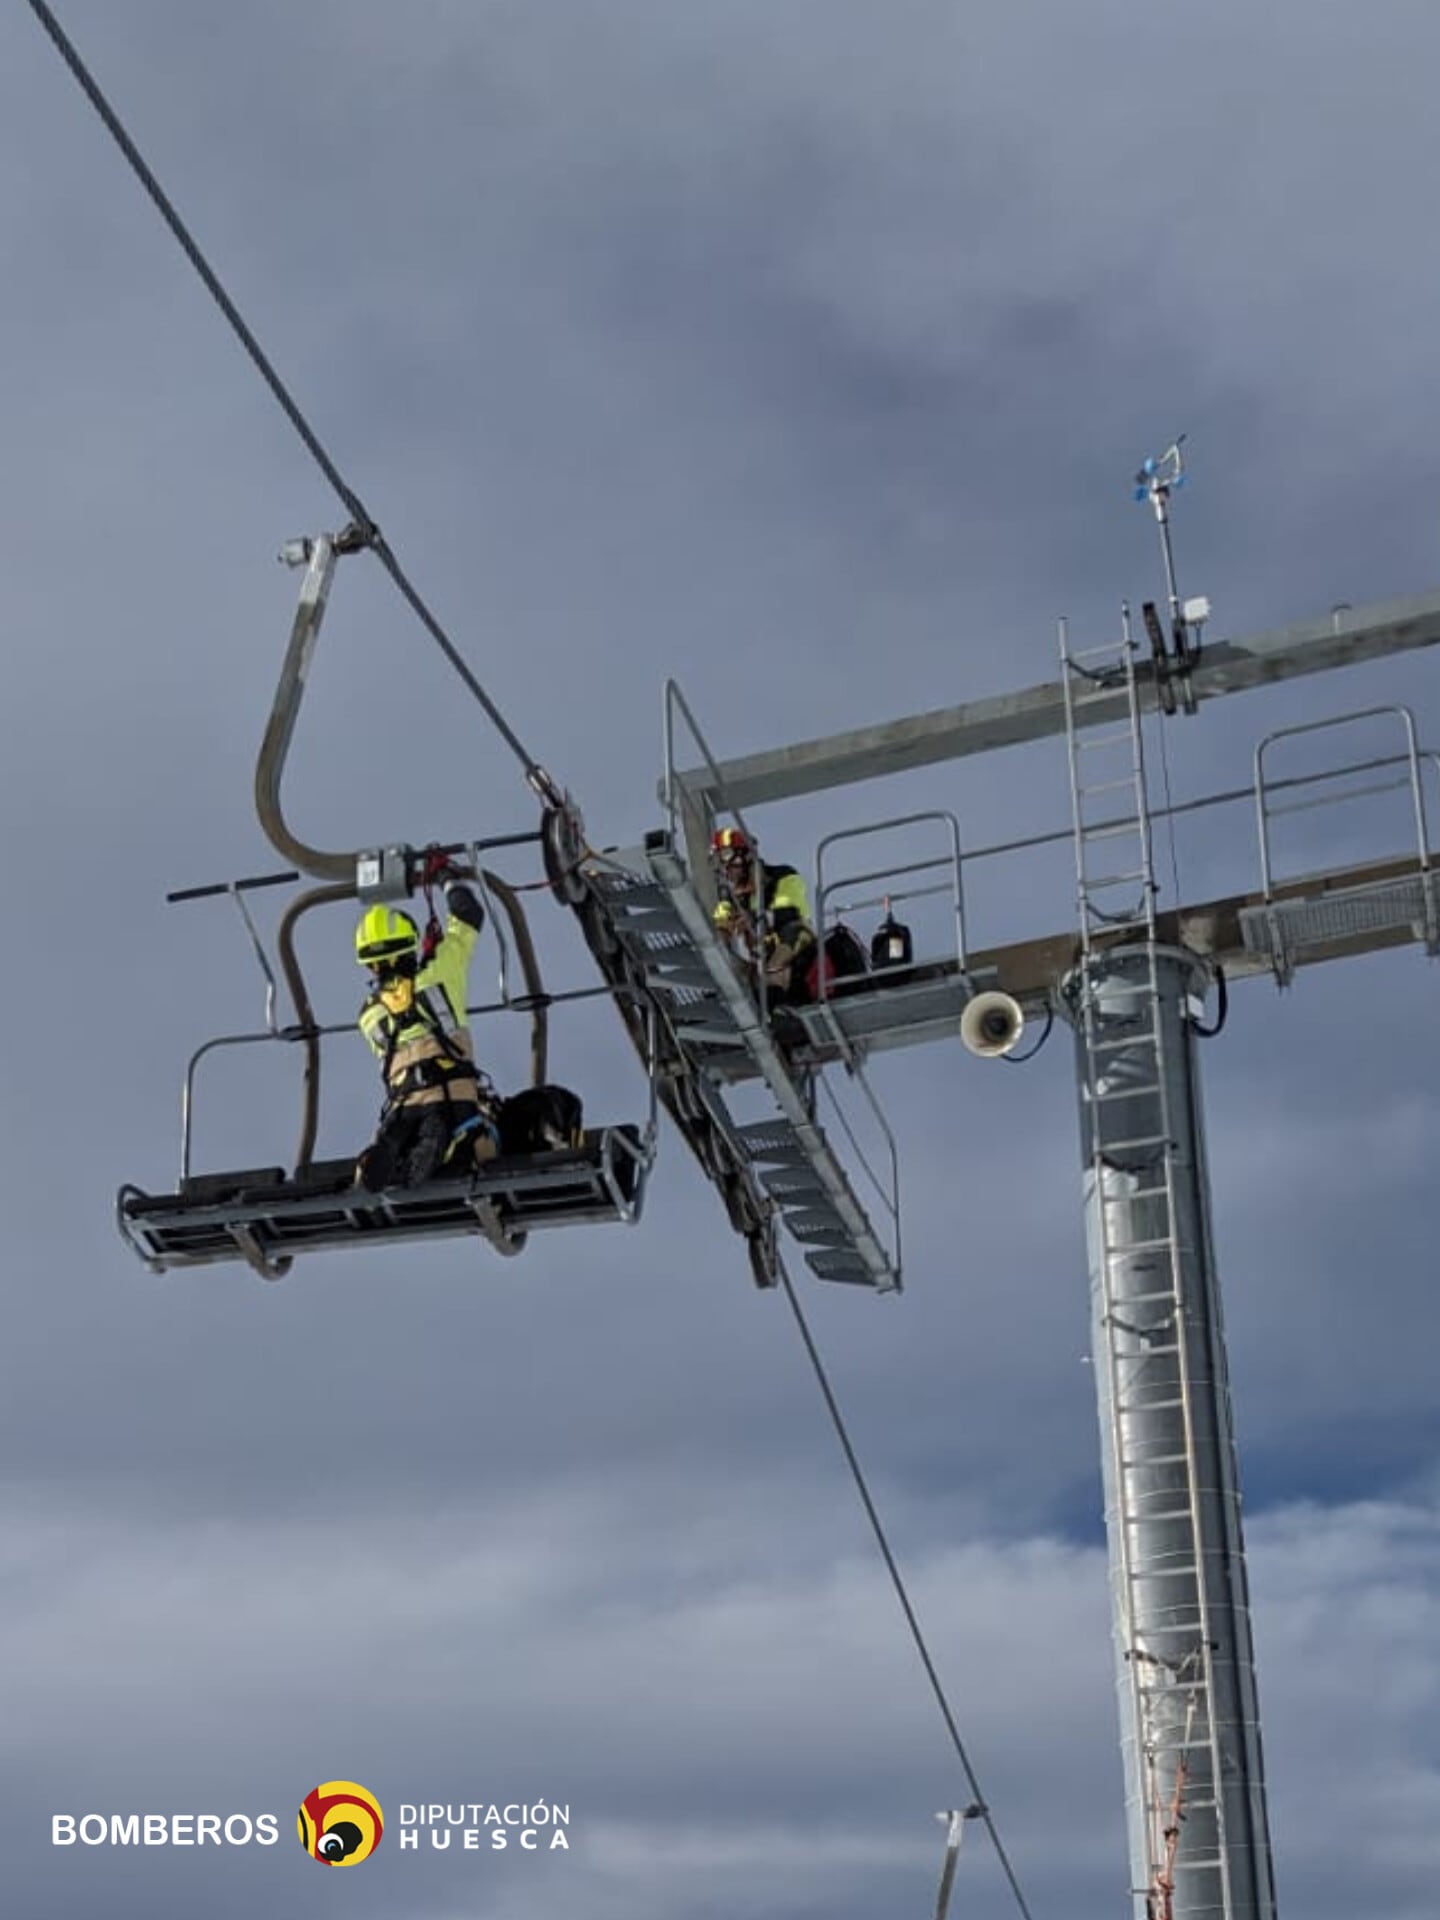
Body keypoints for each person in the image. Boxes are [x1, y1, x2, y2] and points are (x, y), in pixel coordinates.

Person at [352, 871, 499, 1191]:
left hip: (402, 1103)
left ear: (369, 963)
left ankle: (384, 1157)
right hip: (450, 1098)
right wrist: (449, 879)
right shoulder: (440, 975)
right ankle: (441, 1149)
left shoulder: (367, 1015)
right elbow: (468, 915)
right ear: (410, 943)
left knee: (399, 1133)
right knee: (452, 1130)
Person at [710, 826, 819, 1008]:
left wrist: (752, 919)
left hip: (799, 951)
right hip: (762, 960)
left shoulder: (783, 876)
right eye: (718, 861)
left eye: (727, 856)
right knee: (721, 957)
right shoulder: (730, 899)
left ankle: (777, 1004)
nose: (725, 868)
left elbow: (787, 915)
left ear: (746, 856)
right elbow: (719, 927)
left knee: (792, 934)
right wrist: (721, 938)